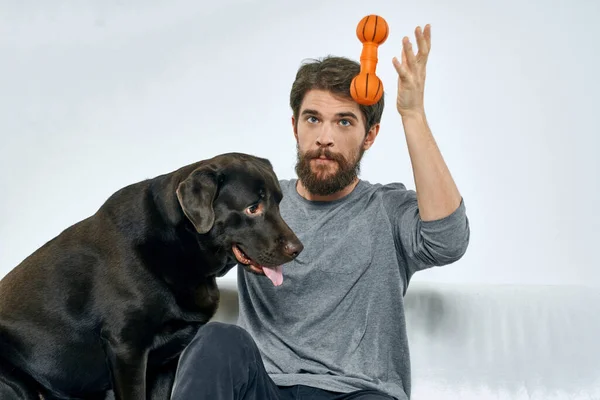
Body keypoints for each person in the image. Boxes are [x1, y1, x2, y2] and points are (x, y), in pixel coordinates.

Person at [171, 24, 470, 400]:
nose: (324, 137)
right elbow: (174, 258)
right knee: (217, 339)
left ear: (370, 135)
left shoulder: (388, 210)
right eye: (313, 119)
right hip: (264, 388)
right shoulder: (253, 206)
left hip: (357, 392)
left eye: (344, 121)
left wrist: (412, 115)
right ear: (295, 127)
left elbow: (449, 242)